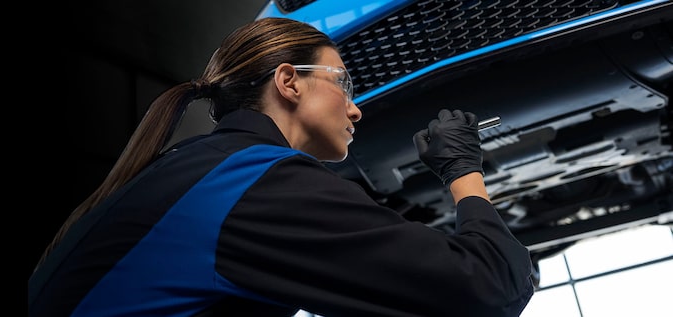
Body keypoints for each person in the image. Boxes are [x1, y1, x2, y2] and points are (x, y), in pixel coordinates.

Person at [29, 17, 535, 317]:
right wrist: (463, 170)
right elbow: (488, 288)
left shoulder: (198, 171)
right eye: (344, 83)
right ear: (289, 82)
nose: (355, 108)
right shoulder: (253, 184)